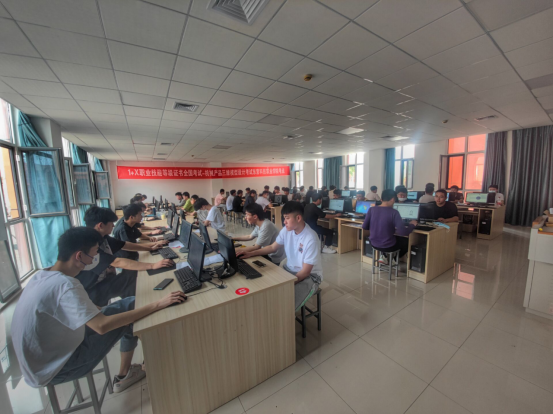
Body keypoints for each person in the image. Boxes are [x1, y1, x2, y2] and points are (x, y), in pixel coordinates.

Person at [11, 226, 186, 391]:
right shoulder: (65, 285)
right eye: (95, 253)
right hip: (58, 366)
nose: (96, 257)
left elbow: (84, 308)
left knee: (131, 305)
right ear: (79, 256)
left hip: (47, 355)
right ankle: (135, 372)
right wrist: (158, 304)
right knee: (134, 316)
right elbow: (102, 326)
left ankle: (138, 363)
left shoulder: (43, 275)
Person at [76, 206, 174, 307]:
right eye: (111, 223)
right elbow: (117, 262)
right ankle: (140, 305)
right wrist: (152, 265)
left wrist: (150, 248)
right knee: (131, 277)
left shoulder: (102, 237)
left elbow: (124, 244)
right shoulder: (89, 244)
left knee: (132, 275)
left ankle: (137, 303)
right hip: (91, 291)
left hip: (102, 279)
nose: (113, 226)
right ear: (100, 225)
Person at [238, 201, 322, 311]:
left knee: (285, 306)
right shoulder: (286, 230)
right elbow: (272, 247)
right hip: (289, 270)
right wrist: (250, 254)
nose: (284, 222)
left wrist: (285, 284)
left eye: (287, 218)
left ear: (298, 218)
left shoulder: (310, 238)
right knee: (266, 289)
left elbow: (305, 272)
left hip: (310, 277)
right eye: (284, 218)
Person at [362, 189, 417, 265]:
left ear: (382, 199)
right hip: (388, 246)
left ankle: (384, 256)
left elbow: (365, 226)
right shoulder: (394, 212)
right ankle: (394, 259)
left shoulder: (371, 209)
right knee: (407, 241)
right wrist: (412, 225)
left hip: (373, 243)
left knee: (387, 237)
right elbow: (403, 232)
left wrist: (377, 226)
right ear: (392, 199)